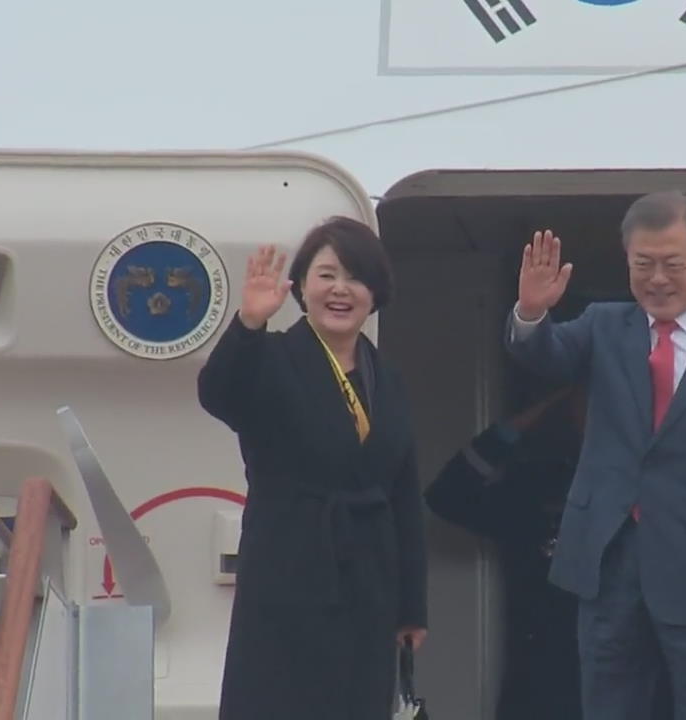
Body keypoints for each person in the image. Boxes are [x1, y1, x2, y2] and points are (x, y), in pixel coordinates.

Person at [503, 190, 686, 720]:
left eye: (672, 264)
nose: (657, 279)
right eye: (643, 265)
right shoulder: (603, 325)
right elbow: (543, 355)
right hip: (610, 564)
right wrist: (531, 312)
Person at [196, 216, 429, 719]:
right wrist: (249, 323)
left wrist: (412, 606)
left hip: (369, 581)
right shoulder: (271, 357)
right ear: (301, 286)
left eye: (355, 277)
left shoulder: (386, 378)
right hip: (288, 572)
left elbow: (404, 493)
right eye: (326, 275)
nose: (340, 289)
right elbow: (218, 394)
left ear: (375, 292)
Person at [423, 384, 586, 720]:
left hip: (624, 674)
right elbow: (447, 495)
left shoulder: (649, 484)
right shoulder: (541, 485)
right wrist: (536, 412)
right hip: (542, 677)